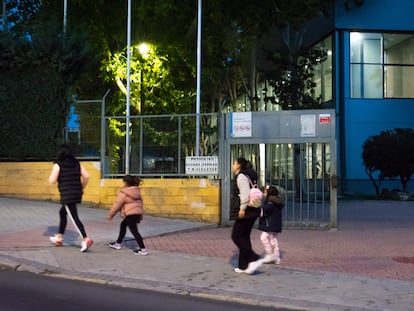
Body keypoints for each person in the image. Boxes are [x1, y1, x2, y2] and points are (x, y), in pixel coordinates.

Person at [48, 144, 93, 252]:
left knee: (74, 217)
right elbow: (86, 176)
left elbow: (52, 180)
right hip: (77, 192)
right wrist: (82, 187)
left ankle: (85, 238)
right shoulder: (77, 163)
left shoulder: (58, 165)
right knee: (63, 213)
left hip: (67, 194)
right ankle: (59, 237)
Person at [230, 157, 263, 274]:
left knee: (236, 236)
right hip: (253, 210)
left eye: (234, 163)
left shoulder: (241, 177)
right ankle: (244, 266)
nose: (232, 166)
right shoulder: (250, 175)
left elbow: (245, 193)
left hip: (246, 211)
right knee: (244, 236)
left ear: (239, 165)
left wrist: (242, 208)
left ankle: (253, 258)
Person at [107, 175, 148, 256]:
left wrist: (111, 215)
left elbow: (117, 205)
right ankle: (118, 243)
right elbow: (140, 204)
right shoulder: (137, 192)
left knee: (134, 231)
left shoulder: (124, 193)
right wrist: (140, 216)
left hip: (130, 214)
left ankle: (143, 249)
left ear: (126, 183)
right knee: (123, 225)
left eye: (124, 182)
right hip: (135, 214)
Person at [258, 185, 284, 264]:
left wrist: (256, 203)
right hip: (274, 224)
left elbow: (266, 209)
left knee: (264, 238)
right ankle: (276, 257)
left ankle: (270, 255)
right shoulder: (274, 201)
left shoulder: (271, 202)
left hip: (271, 224)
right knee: (273, 240)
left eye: (265, 192)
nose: (264, 193)